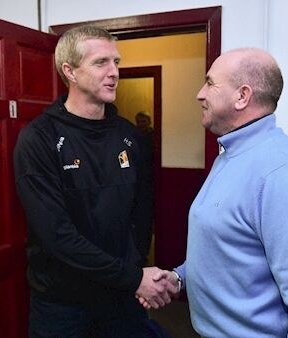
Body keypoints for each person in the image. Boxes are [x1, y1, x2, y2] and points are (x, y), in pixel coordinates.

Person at [144, 48, 288, 337]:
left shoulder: (281, 174)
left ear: (242, 96)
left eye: (210, 83)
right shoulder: (232, 153)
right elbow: (228, 247)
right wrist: (179, 278)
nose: (200, 94)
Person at [14, 25, 172, 338]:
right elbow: (56, 235)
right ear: (69, 71)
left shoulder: (130, 136)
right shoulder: (39, 139)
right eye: (101, 63)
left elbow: (141, 216)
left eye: (116, 62)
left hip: (120, 298)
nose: (114, 72)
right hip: (62, 305)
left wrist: (134, 272)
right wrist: (133, 277)